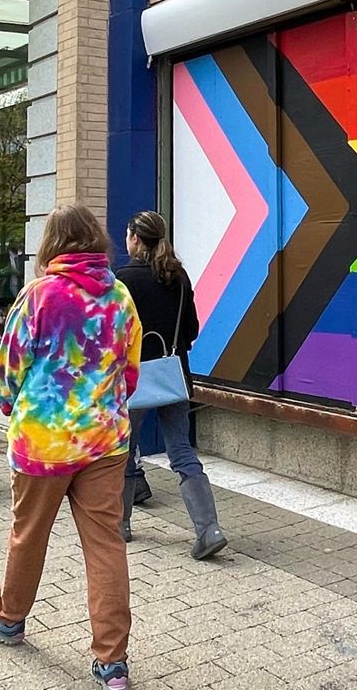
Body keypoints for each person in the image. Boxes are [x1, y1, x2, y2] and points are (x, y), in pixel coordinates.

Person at [0, 204, 141, 690]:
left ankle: (8, 618)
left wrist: (6, 405)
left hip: (44, 444)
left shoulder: (39, 295)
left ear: (52, 244)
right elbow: (130, 370)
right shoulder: (120, 297)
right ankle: (112, 662)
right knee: (105, 544)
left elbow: (9, 369)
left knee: (29, 534)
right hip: (105, 441)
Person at [116, 211, 227, 560]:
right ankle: (209, 529)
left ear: (135, 238)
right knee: (180, 449)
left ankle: (121, 525)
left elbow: (113, 334)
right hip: (174, 375)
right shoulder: (177, 276)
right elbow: (191, 330)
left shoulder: (122, 280)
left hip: (134, 380)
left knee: (123, 451)